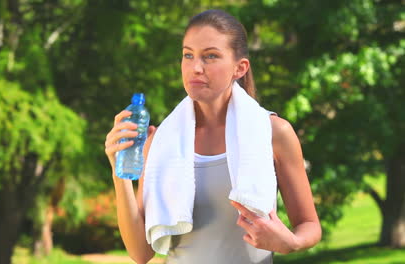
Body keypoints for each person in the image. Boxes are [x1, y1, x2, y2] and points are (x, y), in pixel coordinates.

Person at [104, 9, 321, 264]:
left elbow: (309, 225)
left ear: (239, 68)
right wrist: (119, 174)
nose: (196, 67)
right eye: (188, 55)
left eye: (211, 56)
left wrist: (290, 242)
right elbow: (140, 253)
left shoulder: (273, 132)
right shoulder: (161, 142)